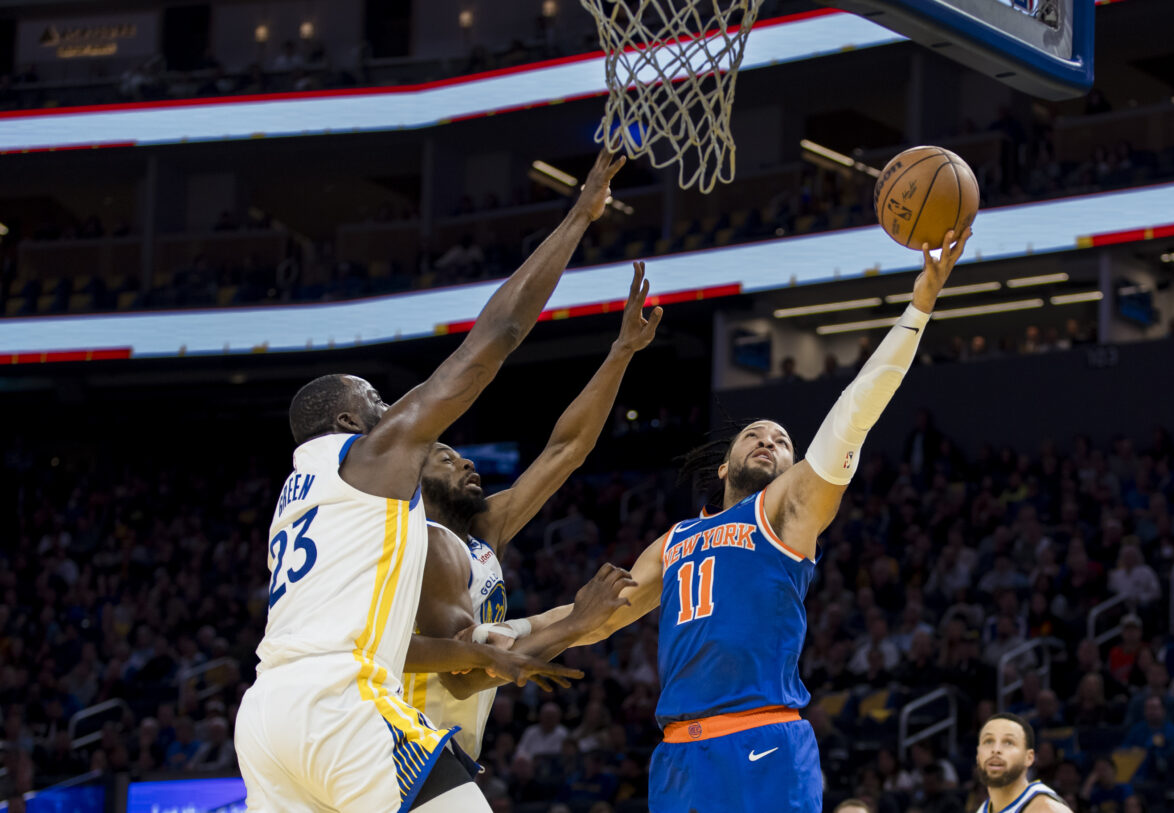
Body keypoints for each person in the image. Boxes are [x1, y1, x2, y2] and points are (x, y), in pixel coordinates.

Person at [234, 151, 629, 813]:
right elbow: (496, 334)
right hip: (339, 703)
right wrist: (578, 217)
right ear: (346, 418)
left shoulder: (296, 494)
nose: (391, 410)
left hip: (265, 716)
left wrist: (469, 653)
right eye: (376, 398)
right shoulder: (367, 455)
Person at [572, 228, 973, 812]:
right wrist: (510, 636)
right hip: (679, 756)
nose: (768, 440)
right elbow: (597, 618)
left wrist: (919, 308)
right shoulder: (675, 539)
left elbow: (855, 410)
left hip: (763, 739)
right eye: (753, 436)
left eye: (782, 440)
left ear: (793, 464)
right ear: (725, 465)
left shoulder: (785, 510)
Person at [401, 262, 661, 760]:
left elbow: (567, 449)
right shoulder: (426, 542)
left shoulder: (480, 533)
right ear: (415, 482)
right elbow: (461, 676)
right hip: (406, 746)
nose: (467, 460)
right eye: (447, 458)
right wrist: (575, 624)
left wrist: (620, 352)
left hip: (446, 748)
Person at [974, 713, 1071, 813]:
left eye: (1008, 742)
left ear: (1028, 758)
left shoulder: (1045, 808)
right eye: (988, 741)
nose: (996, 749)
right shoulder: (984, 808)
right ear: (978, 756)